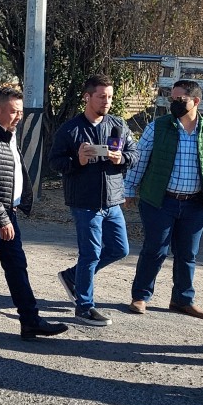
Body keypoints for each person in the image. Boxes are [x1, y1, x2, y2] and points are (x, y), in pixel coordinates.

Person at [0, 86, 69, 345]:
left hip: (6, 213)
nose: (19, 117)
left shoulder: (8, 134)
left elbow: (13, 174)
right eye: (14, 112)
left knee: (17, 267)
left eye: (20, 112)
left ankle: (30, 321)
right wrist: (1, 219)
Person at [124, 80, 203, 320]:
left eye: (179, 100)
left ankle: (182, 300)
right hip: (159, 200)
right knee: (155, 249)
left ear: (195, 101)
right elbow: (139, 161)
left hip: (194, 203)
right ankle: (140, 296)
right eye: (171, 99)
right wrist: (129, 189)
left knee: (187, 254)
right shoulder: (158, 128)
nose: (173, 103)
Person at [48, 74, 139, 326]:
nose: (106, 101)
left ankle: (72, 276)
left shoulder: (118, 125)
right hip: (85, 202)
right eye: (101, 96)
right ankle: (84, 307)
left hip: (112, 201)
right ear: (87, 97)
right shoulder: (71, 129)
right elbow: (54, 162)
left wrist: (120, 159)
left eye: (110, 96)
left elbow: (134, 154)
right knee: (90, 254)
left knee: (120, 249)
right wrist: (78, 160)